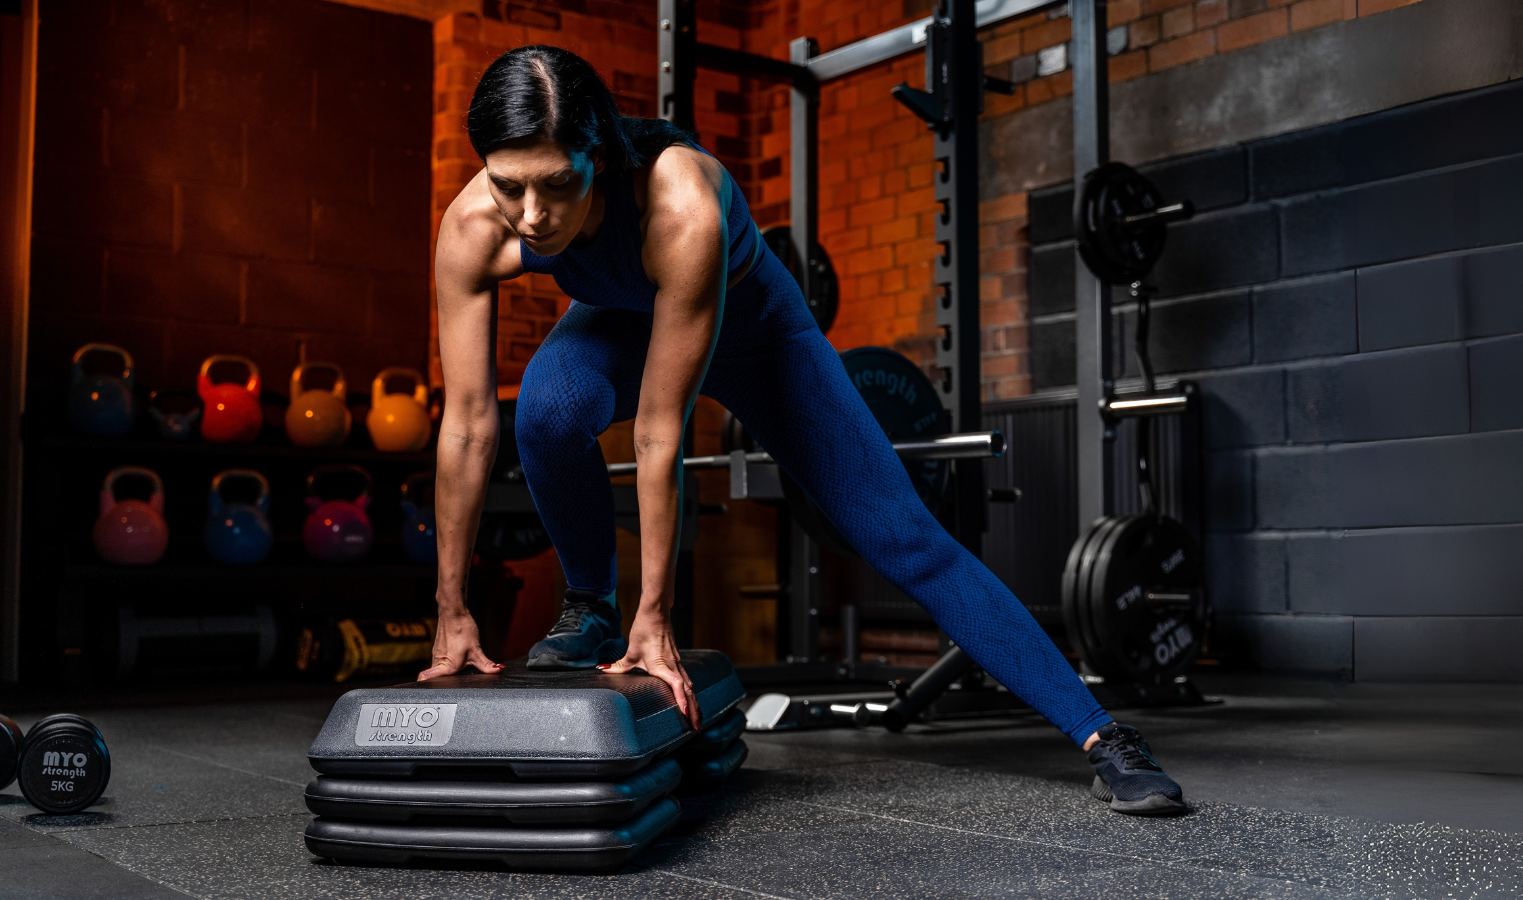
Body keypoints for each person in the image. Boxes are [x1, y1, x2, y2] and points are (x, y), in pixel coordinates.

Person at [416, 45, 1186, 816]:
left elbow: (658, 433)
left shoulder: (678, 204)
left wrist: (658, 618)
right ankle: (591, 605)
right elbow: (469, 427)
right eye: (509, 185)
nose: (534, 215)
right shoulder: (476, 224)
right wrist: (452, 609)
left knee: (904, 537)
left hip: (761, 336)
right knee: (545, 415)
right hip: (620, 323)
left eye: (559, 184)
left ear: (602, 156)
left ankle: (1103, 736)